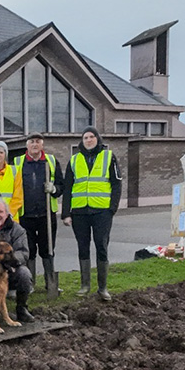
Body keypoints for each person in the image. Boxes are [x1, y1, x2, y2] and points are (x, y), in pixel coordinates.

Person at [61, 126, 122, 301]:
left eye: (91, 137)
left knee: (101, 246)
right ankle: (85, 285)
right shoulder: (74, 160)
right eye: (85, 137)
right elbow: (67, 188)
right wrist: (66, 213)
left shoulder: (108, 157)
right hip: (79, 211)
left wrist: (112, 208)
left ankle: (102, 287)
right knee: (83, 247)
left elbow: (117, 184)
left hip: (102, 211)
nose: (88, 140)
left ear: (97, 139)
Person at [13, 133, 63, 294]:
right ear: (27, 145)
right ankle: (30, 283)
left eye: (38, 142)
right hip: (25, 215)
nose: (35, 144)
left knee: (48, 249)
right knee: (29, 251)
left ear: (42, 145)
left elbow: (62, 185)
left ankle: (51, 282)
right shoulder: (18, 163)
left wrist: (54, 189)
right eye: (32, 142)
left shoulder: (51, 161)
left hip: (46, 215)